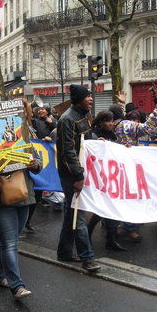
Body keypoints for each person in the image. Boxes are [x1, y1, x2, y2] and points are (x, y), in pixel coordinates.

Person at [0, 128, 41, 299]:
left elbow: (38, 164)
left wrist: (35, 164)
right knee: (10, 243)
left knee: (5, 239)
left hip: (23, 197)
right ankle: (17, 285)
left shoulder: (24, 138)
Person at [56, 84, 100, 272]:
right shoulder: (67, 119)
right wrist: (78, 175)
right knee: (79, 214)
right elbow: (67, 151)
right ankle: (87, 258)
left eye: (91, 96)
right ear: (79, 99)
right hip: (71, 174)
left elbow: (84, 142)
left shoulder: (83, 116)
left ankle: (64, 252)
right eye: (87, 96)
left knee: (71, 212)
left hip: (79, 172)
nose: (91, 99)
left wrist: (98, 142)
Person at [87, 110, 127, 251]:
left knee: (112, 208)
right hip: (99, 178)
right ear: (100, 122)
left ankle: (111, 240)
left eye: (112, 121)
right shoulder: (93, 135)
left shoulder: (112, 135)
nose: (111, 123)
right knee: (101, 210)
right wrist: (95, 143)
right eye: (108, 121)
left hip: (112, 177)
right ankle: (86, 238)